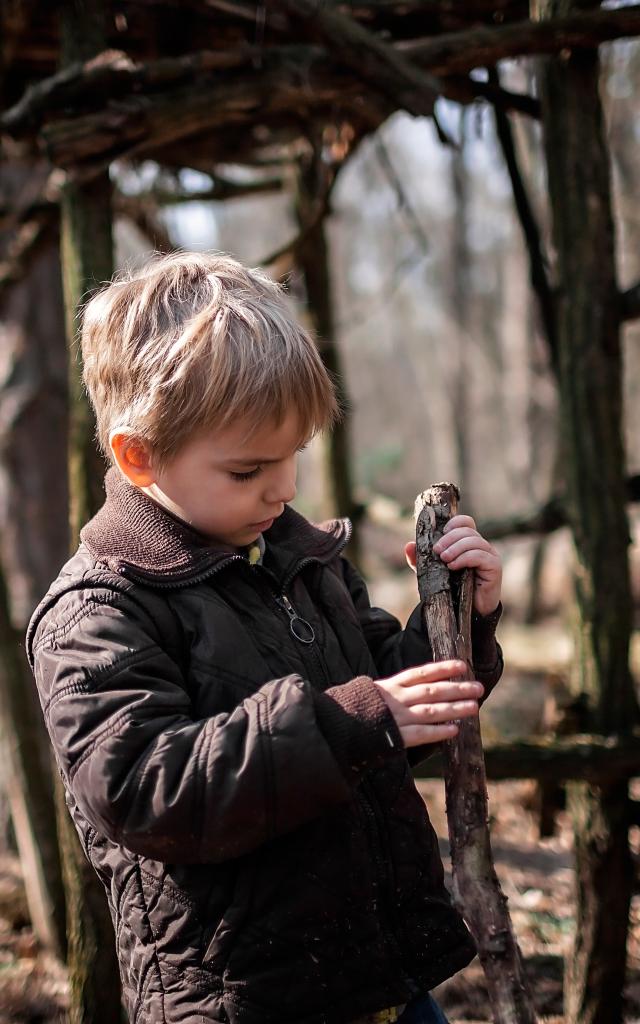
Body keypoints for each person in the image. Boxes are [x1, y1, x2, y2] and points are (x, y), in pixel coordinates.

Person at [26, 252, 503, 1024]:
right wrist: (348, 720)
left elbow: (392, 713)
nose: (281, 490)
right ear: (137, 456)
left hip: (382, 974)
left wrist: (461, 622)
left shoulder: (299, 555)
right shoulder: (96, 613)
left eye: (291, 458)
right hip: (245, 999)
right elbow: (148, 789)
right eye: (249, 470)